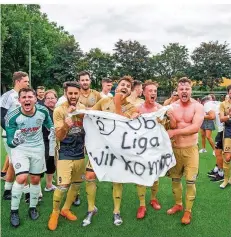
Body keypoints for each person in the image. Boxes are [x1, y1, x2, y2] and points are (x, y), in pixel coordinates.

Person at [82, 75, 138, 227]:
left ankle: (116, 211)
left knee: (117, 179)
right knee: (90, 175)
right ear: (117, 87)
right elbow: (90, 115)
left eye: (128, 86)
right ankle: (90, 208)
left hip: (118, 150)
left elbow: (125, 124)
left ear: (130, 91)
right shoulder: (104, 101)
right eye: (122, 84)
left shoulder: (132, 108)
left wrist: (119, 104)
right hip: (100, 147)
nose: (124, 87)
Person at [5, 88, 54, 227]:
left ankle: (32, 207)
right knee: (21, 177)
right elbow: (9, 139)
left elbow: (48, 123)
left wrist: (52, 129)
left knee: (35, 178)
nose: (27, 99)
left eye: (30, 97)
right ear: (19, 100)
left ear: (35, 99)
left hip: (38, 148)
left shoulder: (43, 111)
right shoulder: (13, 116)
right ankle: (14, 211)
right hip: (21, 148)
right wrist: (14, 141)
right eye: (24, 97)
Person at [136, 80, 176, 219]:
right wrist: (133, 118)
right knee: (140, 175)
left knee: (155, 175)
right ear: (144, 93)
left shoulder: (160, 109)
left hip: (156, 148)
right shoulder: (137, 109)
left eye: (155, 91)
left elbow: (173, 125)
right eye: (150, 91)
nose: (153, 93)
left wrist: (169, 117)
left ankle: (153, 198)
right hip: (141, 149)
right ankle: (142, 205)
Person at [48, 82, 86, 231]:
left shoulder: (83, 109)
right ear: (65, 93)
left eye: (76, 93)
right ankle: (55, 212)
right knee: (63, 185)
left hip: (80, 153)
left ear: (79, 94)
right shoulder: (59, 110)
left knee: (76, 184)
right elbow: (59, 137)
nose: (73, 96)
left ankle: (66, 209)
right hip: (64, 152)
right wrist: (65, 124)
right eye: (70, 93)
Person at [166, 77, 204, 225]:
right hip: (175, 149)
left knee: (190, 181)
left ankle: (188, 211)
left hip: (191, 150)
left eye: (187, 89)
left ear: (191, 90)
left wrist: (174, 133)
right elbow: (169, 125)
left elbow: (195, 128)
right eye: (181, 89)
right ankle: (178, 204)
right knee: (175, 180)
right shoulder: (172, 106)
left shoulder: (197, 106)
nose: (184, 91)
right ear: (177, 90)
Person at [0, 71, 30, 201]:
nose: (28, 83)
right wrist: (12, 132)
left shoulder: (24, 96)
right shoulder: (8, 96)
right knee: (21, 163)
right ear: (18, 81)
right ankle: (28, 193)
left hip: (24, 136)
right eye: (26, 81)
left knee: (12, 162)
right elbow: (1, 116)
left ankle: (7, 190)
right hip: (10, 137)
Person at [43, 90, 58, 191]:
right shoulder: (43, 111)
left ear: (56, 99)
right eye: (48, 98)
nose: (50, 100)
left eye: (52, 98)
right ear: (44, 101)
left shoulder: (57, 110)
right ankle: (48, 185)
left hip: (56, 140)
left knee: (54, 161)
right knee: (49, 162)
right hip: (45, 140)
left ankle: (51, 181)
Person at [219, 85, 231, 189]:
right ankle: (226, 180)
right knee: (227, 157)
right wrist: (229, 115)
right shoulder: (223, 104)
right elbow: (221, 119)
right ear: (228, 93)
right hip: (228, 130)